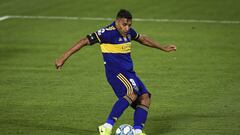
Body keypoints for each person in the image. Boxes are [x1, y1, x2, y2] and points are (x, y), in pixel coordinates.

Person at [55, 9, 176, 135]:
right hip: (116, 73)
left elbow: (143, 39)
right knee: (133, 92)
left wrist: (162, 47)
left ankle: (137, 131)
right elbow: (84, 41)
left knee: (145, 97)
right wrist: (63, 57)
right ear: (117, 22)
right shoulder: (106, 33)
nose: (127, 28)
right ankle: (107, 126)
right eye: (124, 24)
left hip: (129, 73)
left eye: (129, 25)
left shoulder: (129, 33)